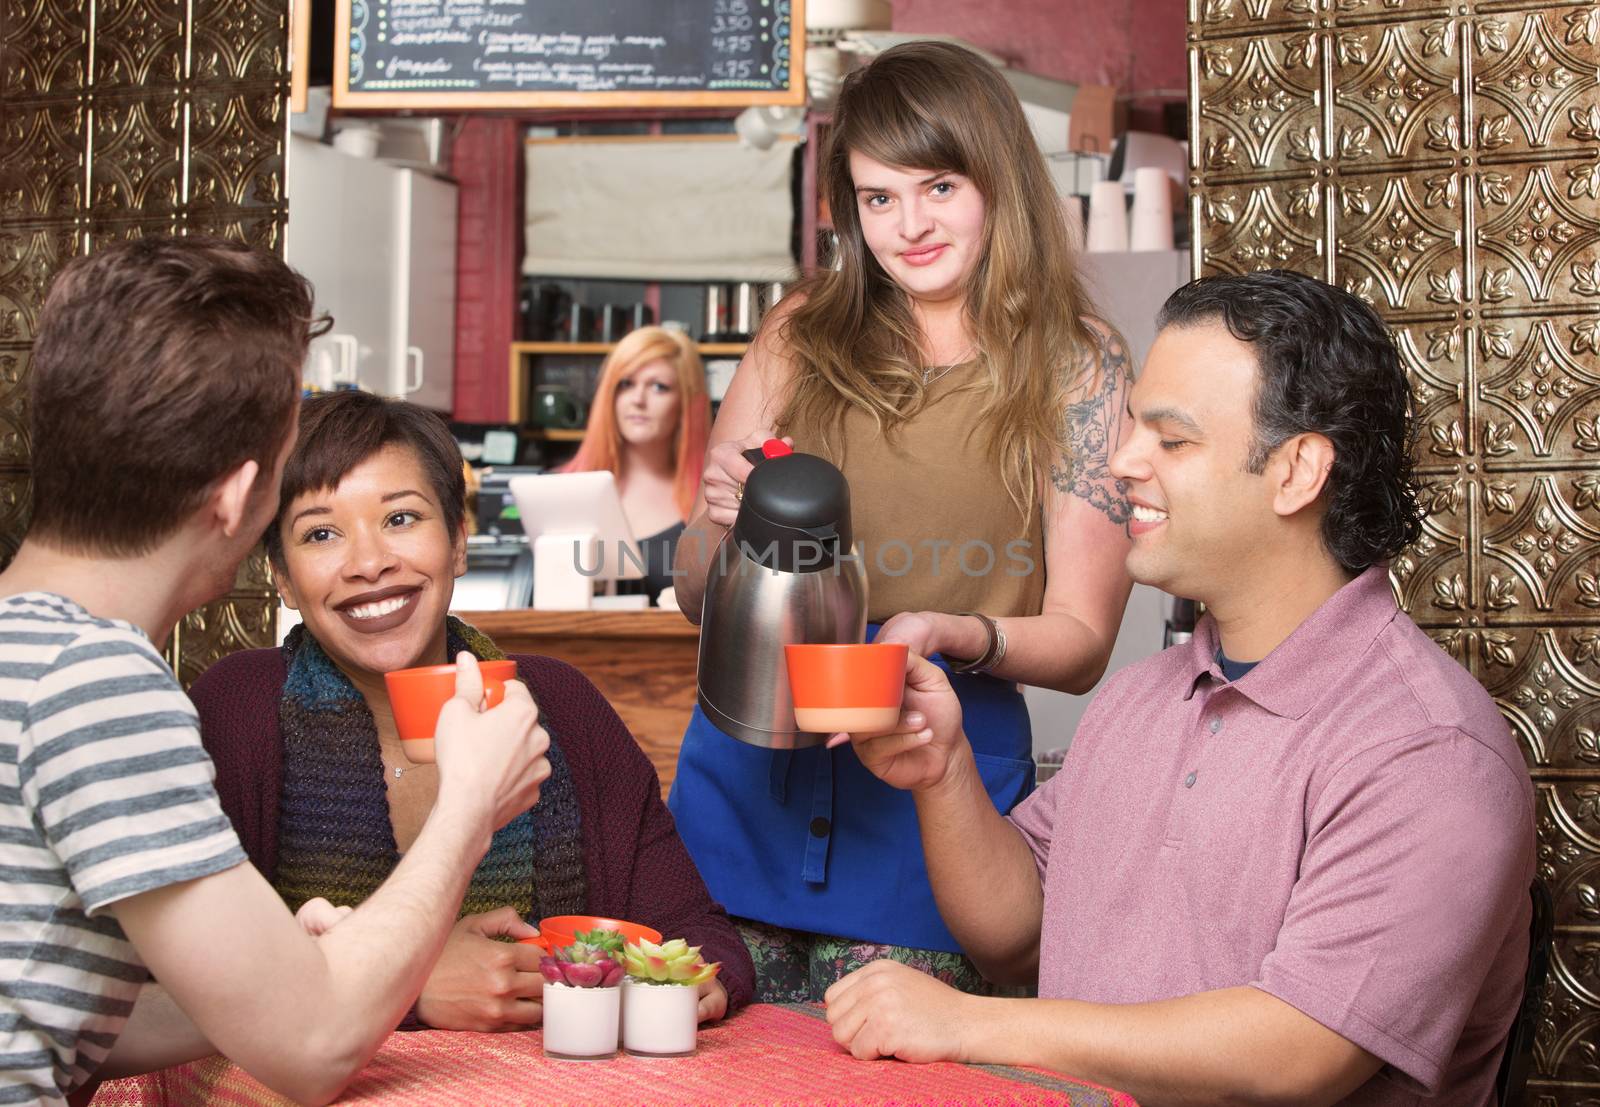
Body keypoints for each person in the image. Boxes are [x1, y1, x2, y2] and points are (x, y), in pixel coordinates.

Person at [827, 270, 1536, 1106]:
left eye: (1172, 439)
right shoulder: (1140, 698)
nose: (1122, 461)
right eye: (1132, 427)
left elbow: (1296, 1050)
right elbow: (1017, 934)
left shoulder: (1426, 749)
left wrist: (970, 1024)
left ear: (1297, 470)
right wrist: (942, 772)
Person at [0, 236, 551, 1107]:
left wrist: (276, 968)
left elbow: (49, 1009)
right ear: (235, 497)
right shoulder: (96, 680)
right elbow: (315, 1049)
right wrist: (468, 809)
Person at [667, 40, 1136, 1001]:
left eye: (938, 188)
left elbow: (1085, 641)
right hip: (745, 778)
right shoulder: (800, 333)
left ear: (996, 178)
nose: (909, 226)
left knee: (892, 1067)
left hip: (934, 793)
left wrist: (950, 633)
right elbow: (690, 595)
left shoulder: (1077, 366)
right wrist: (726, 528)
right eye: (879, 198)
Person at [190, 389, 753, 1032]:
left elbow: (694, 931)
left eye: (401, 519)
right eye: (321, 534)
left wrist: (687, 984)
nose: (370, 562)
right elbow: (184, 977)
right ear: (283, 577)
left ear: (458, 542)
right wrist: (405, 989)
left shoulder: (558, 704)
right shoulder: (238, 710)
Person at [560, 325, 711, 606]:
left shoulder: (712, 504)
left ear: (686, 403)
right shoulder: (562, 491)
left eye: (658, 387)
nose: (638, 400)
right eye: (626, 384)